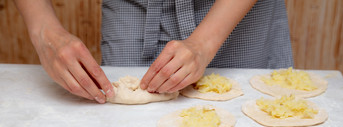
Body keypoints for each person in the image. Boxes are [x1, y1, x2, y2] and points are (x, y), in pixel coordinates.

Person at [14, 0, 293, 104]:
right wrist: (43, 29)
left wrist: (204, 43)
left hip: (235, 11)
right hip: (132, 7)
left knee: (250, 114)